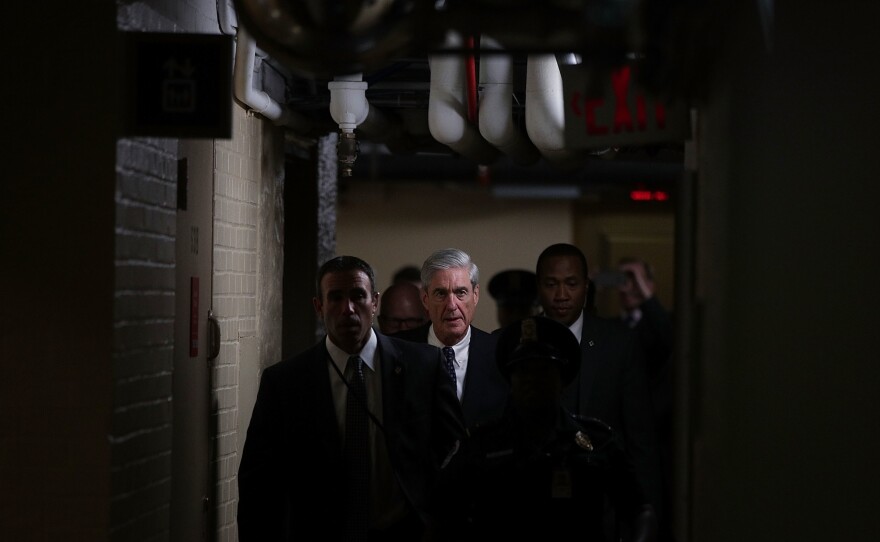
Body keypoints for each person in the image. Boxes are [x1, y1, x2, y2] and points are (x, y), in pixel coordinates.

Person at [237, 255, 465, 542]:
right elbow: (259, 484)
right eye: (335, 298)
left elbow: (455, 455)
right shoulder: (285, 383)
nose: (348, 309)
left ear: (375, 302)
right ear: (319, 307)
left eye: (358, 295)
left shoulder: (424, 366)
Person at [428, 316, 657, 541]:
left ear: (562, 379)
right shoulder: (481, 445)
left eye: (542, 371)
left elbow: (640, 509)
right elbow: (443, 514)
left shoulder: (595, 442)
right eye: (523, 371)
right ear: (510, 379)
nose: (532, 380)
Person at [535, 243, 663, 539]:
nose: (562, 295)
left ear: (586, 287)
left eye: (571, 284)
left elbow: (640, 438)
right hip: (533, 507)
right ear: (538, 286)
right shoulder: (515, 342)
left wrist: (648, 511)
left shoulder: (618, 344)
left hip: (602, 510)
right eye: (552, 284)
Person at [393, 248, 508, 428]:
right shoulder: (396, 351)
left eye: (461, 292)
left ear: (475, 295)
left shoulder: (499, 353)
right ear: (425, 299)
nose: (452, 305)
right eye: (441, 294)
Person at [617, 256, 675, 542]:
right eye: (621, 280)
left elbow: (670, 339)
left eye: (633, 280)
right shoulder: (612, 327)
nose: (626, 288)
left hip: (657, 438)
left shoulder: (660, 322)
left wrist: (644, 290)